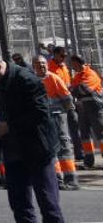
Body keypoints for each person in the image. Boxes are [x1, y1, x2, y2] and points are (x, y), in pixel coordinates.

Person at [0, 50, 64, 223]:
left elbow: (40, 113)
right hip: (13, 151)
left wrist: (8, 126)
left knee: (48, 203)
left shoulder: (26, 79)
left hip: (37, 149)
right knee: (19, 204)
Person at [32, 56, 78, 190]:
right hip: (44, 119)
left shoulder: (53, 78)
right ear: (33, 66)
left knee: (63, 144)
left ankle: (71, 179)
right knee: (51, 147)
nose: (41, 65)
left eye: (43, 63)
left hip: (57, 117)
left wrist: (69, 113)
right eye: (38, 63)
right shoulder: (33, 80)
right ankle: (57, 179)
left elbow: (66, 97)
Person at [68, 54, 103, 167]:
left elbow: (84, 90)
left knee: (100, 133)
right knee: (84, 134)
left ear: (78, 63)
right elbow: (72, 90)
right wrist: (76, 89)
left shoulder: (91, 74)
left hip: (95, 107)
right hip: (82, 108)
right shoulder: (78, 76)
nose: (71, 66)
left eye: (73, 63)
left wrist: (76, 89)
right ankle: (88, 161)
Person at [48, 46, 80, 162]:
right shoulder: (49, 68)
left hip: (67, 100)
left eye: (65, 56)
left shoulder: (63, 66)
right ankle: (62, 155)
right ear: (55, 55)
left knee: (74, 125)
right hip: (57, 104)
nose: (64, 58)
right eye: (62, 56)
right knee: (62, 131)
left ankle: (79, 153)